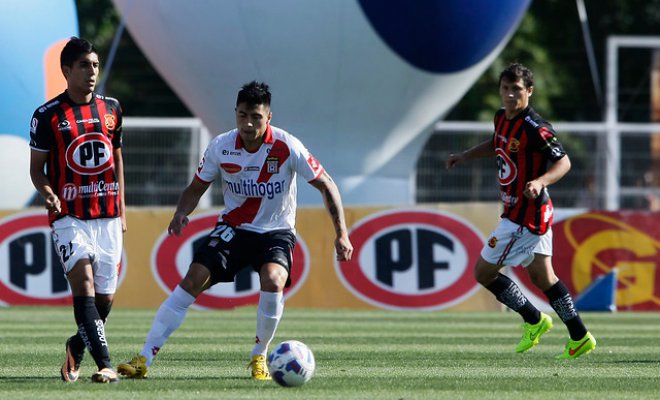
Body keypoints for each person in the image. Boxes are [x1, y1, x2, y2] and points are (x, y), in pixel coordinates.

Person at [117, 81, 353, 380]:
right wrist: (180, 213)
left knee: (273, 278)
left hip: (275, 231)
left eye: (256, 116)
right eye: (242, 115)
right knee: (193, 279)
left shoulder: (287, 146)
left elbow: (326, 184)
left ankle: (259, 357)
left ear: (269, 117)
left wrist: (341, 233)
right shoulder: (221, 146)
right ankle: (144, 359)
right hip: (234, 229)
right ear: (235, 114)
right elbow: (196, 188)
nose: (248, 123)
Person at [446, 63, 596, 359]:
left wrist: (540, 181)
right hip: (530, 215)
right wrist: (465, 156)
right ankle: (580, 337)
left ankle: (534, 319)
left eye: (517, 89)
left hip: (524, 217)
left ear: (529, 91)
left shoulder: (535, 127)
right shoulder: (501, 118)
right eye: (505, 88)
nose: (510, 94)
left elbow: (563, 162)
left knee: (483, 273)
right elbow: (497, 144)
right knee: (544, 279)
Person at [29, 37, 125, 383]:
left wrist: (123, 210)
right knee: (82, 283)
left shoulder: (112, 109)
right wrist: (48, 193)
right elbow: (36, 169)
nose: (92, 72)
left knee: (105, 301)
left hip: (109, 215)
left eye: (95, 65)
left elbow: (115, 158)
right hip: (69, 216)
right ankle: (106, 364)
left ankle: (76, 345)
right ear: (67, 71)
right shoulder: (47, 116)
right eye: (84, 65)